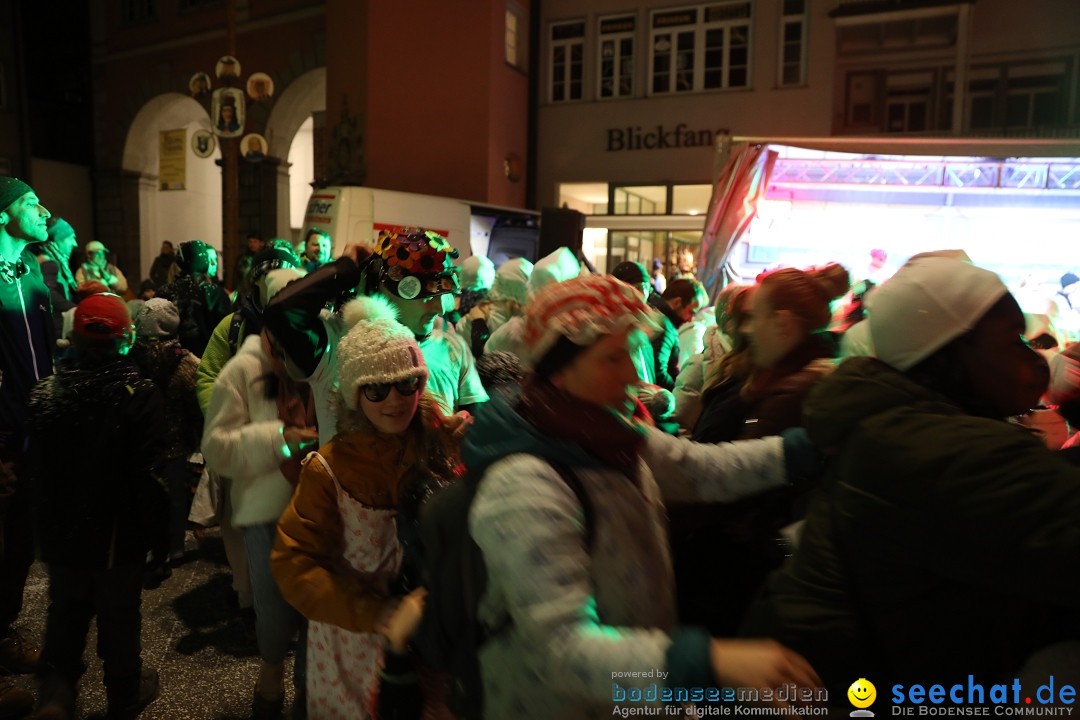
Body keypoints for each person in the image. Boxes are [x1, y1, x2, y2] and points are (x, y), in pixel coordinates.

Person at [465, 274, 822, 719]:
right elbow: (561, 649)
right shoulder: (524, 482)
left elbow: (702, 471)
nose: (633, 375)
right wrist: (706, 661)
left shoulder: (612, 437)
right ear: (560, 368)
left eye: (630, 354)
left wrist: (803, 451)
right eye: (613, 358)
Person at [741, 256, 1080, 699]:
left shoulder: (891, 426)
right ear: (952, 351)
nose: (1033, 360)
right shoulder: (951, 450)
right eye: (1014, 339)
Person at [272, 296, 458, 719]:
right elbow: (293, 564)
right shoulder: (328, 470)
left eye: (407, 383)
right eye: (376, 388)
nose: (395, 400)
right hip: (353, 644)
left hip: (428, 639)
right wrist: (378, 613)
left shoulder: (436, 443)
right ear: (355, 395)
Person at [683, 263, 848, 635]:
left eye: (754, 318)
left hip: (743, 573)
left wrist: (766, 543)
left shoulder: (789, 391)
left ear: (783, 323)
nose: (746, 328)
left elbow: (736, 484)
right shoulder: (794, 376)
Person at [29, 292, 166, 720]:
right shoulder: (136, 392)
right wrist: (158, 539)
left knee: (65, 610)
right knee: (119, 615)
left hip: (60, 534)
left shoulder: (45, 393)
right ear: (125, 340)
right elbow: (149, 477)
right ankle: (124, 694)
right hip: (114, 536)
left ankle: (56, 693)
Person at [201, 269, 316, 720]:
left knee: (316, 609)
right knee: (272, 607)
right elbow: (217, 447)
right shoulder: (244, 369)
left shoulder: (318, 356)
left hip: (318, 504)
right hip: (268, 509)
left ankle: (309, 694)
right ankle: (270, 679)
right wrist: (279, 440)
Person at [263, 230, 487, 447]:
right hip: (350, 481)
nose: (439, 307)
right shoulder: (338, 340)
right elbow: (281, 311)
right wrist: (344, 269)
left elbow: (479, 423)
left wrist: (466, 423)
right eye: (424, 293)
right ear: (385, 289)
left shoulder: (451, 346)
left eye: (442, 293)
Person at [0, 177, 53, 718]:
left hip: (35, 432)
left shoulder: (34, 271)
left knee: (19, 545)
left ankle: (4, 634)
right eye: (30, 203)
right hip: (3, 439)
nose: (42, 210)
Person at [130, 298, 203, 575]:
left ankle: (148, 546)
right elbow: (197, 403)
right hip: (177, 442)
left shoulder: (132, 360)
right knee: (175, 497)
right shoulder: (185, 362)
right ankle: (176, 548)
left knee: (145, 495)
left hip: (143, 443)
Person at [156, 240, 231, 355]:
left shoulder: (165, 292)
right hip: (206, 362)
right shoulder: (214, 293)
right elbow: (227, 332)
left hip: (172, 363)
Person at [35, 217, 80, 339]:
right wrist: (78, 310)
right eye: (71, 238)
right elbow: (48, 292)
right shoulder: (48, 263)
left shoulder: (53, 261)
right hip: (55, 330)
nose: (75, 244)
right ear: (57, 240)